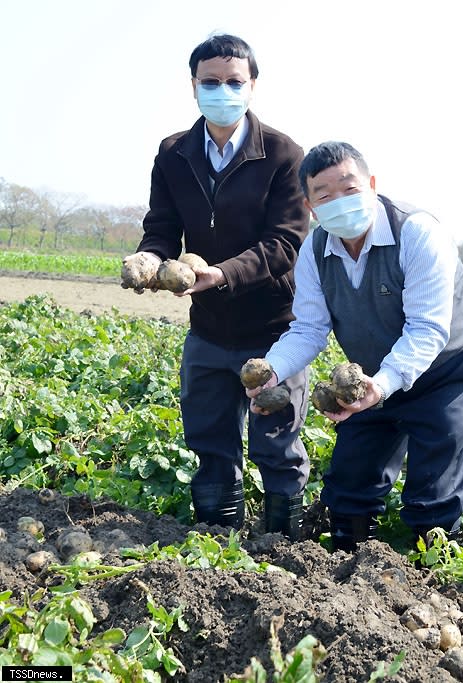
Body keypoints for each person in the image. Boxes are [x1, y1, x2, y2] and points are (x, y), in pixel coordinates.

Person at [247, 141, 463, 552]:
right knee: (350, 478)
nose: (340, 201)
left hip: (447, 367)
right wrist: (273, 369)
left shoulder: (417, 233)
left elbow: (427, 329)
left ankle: (435, 571)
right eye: (324, 195)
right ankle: (350, 561)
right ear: (310, 207)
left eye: (350, 188)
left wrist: (380, 387)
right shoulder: (315, 250)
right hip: (374, 372)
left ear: (372, 186)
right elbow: (308, 329)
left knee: (433, 485)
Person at [122, 34, 310, 539]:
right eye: (211, 82)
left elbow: (285, 243)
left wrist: (222, 274)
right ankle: (215, 545)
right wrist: (150, 257)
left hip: (273, 330)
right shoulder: (174, 153)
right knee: (209, 440)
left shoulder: (284, 155)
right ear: (193, 86)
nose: (222, 90)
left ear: (252, 86)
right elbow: (162, 224)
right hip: (207, 331)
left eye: (233, 81)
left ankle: (283, 548)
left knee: (276, 444)